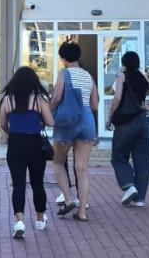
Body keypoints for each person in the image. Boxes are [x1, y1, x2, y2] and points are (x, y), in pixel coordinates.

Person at [106, 51, 149, 208]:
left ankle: (128, 185)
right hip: (144, 122)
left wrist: (110, 117)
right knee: (143, 161)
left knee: (118, 157)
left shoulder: (122, 76)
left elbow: (117, 98)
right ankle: (140, 199)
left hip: (126, 123)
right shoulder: (142, 76)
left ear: (124, 63)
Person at [0, 67, 54, 239]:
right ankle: (39, 219)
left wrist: (12, 132)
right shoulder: (39, 100)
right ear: (33, 82)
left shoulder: (7, 100)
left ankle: (20, 221)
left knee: (18, 184)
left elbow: (3, 124)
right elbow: (51, 122)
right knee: (37, 182)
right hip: (35, 144)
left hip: (15, 143)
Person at [49, 41, 98, 222]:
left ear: (63, 58)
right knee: (82, 168)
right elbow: (94, 104)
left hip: (67, 120)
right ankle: (82, 212)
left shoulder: (64, 74)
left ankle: (68, 199)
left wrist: (48, 111)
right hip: (86, 120)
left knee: (58, 162)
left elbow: (57, 98)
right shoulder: (88, 76)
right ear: (78, 57)